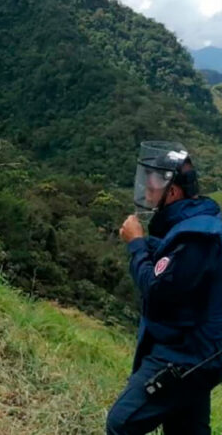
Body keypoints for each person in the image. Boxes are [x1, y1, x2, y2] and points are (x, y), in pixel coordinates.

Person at [108, 141, 222, 434]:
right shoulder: (198, 223)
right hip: (199, 349)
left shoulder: (195, 237)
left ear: (172, 192)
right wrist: (150, 245)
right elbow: (181, 271)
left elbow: (158, 291)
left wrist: (135, 245)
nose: (146, 194)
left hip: (186, 353)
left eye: (152, 189)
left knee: (121, 422)